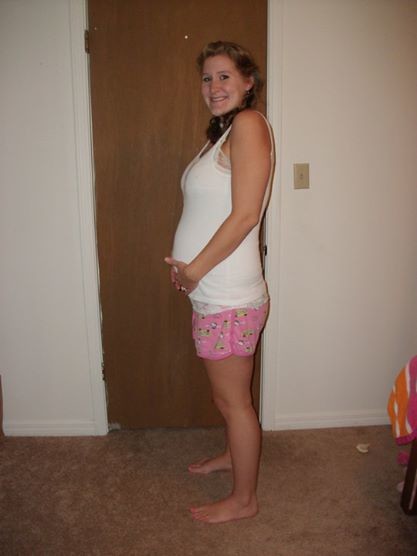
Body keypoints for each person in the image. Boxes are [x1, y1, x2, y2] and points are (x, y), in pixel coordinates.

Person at [165, 41, 274, 524]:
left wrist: (193, 270)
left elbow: (245, 215)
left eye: (225, 76)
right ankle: (233, 456)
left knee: (235, 403)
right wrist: (188, 270)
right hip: (214, 292)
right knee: (226, 398)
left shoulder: (248, 124)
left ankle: (244, 500)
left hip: (227, 293)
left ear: (248, 82)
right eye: (207, 78)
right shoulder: (225, 133)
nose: (213, 86)